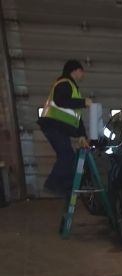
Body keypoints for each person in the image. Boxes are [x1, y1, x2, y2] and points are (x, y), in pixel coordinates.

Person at [37, 60, 93, 196]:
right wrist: (83, 102)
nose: (83, 74)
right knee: (66, 156)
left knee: (69, 156)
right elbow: (61, 100)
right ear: (74, 71)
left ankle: (67, 187)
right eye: (81, 70)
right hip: (53, 125)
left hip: (58, 127)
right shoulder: (64, 83)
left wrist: (82, 136)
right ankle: (52, 184)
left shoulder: (72, 88)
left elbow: (76, 117)